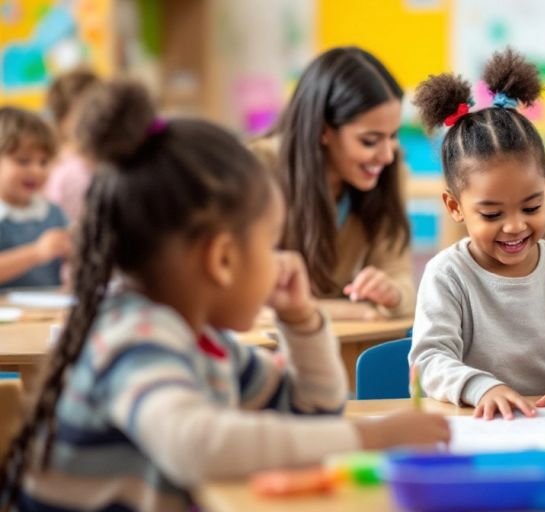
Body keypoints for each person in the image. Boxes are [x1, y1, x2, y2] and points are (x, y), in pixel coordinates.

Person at [0, 81, 449, 512]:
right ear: (222, 259)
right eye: (270, 242)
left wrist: (303, 322)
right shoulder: (134, 337)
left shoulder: (206, 344)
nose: (281, 259)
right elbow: (198, 446)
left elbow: (314, 413)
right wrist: (369, 439)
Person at [409, 49, 545, 420]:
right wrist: (483, 388)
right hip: (476, 424)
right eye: (492, 213)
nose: (515, 226)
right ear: (455, 206)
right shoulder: (447, 274)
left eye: (531, 207)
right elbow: (429, 360)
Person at [253, 47, 414, 319]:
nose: (387, 155)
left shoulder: (391, 170)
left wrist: (392, 293)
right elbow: (250, 300)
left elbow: (401, 279)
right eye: (370, 141)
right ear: (323, 130)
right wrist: (356, 312)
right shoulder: (258, 169)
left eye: (393, 135)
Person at [0, 107, 70, 289]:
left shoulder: (53, 213)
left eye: (44, 162)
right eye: (23, 161)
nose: (37, 171)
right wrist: (37, 253)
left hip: (49, 312)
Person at [43, 67, 100, 223]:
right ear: (62, 120)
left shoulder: (98, 159)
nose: (96, 118)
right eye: (84, 112)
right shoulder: (67, 172)